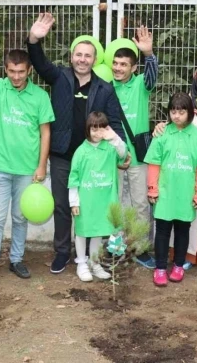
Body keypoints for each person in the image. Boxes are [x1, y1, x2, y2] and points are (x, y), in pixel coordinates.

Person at [26, 13, 126, 274]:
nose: (82, 59)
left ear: (94, 59)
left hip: (94, 159)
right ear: (72, 56)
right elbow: (38, 62)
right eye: (78, 54)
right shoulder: (59, 77)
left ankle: (92, 258)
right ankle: (62, 252)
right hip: (61, 156)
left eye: (88, 55)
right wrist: (34, 40)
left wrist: (121, 149)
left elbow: (114, 121)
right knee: (62, 205)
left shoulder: (105, 88)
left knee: (92, 208)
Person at [0, 42, 54, 284]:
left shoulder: (40, 96)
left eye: (21, 72)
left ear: (29, 71)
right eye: (11, 71)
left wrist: (41, 166)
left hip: (27, 170)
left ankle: (16, 260)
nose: (16, 76)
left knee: (20, 217)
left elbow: (45, 133)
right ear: (5, 70)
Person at [145, 93, 197, 286]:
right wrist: (152, 189)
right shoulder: (162, 134)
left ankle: (178, 265)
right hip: (164, 195)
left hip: (186, 196)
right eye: (173, 111)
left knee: (183, 232)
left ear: (190, 113)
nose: (177, 116)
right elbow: (154, 164)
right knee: (162, 232)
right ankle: (159, 268)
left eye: (182, 112)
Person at [111, 26, 158, 269]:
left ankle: (141, 249)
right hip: (113, 158)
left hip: (139, 156)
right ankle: (117, 249)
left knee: (140, 205)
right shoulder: (105, 86)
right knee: (116, 204)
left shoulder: (141, 84)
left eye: (123, 64)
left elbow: (152, 78)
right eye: (115, 63)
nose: (118, 68)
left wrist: (149, 54)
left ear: (133, 68)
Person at [68, 112, 126, 282]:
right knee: (82, 231)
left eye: (102, 129)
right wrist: (74, 201)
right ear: (88, 129)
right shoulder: (81, 152)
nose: (97, 133)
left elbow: (123, 153)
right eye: (94, 129)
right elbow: (74, 178)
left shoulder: (110, 148)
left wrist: (114, 136)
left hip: (104, 201)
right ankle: (81, 263)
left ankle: (95, 263)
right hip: (85, 201)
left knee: (98, 233)